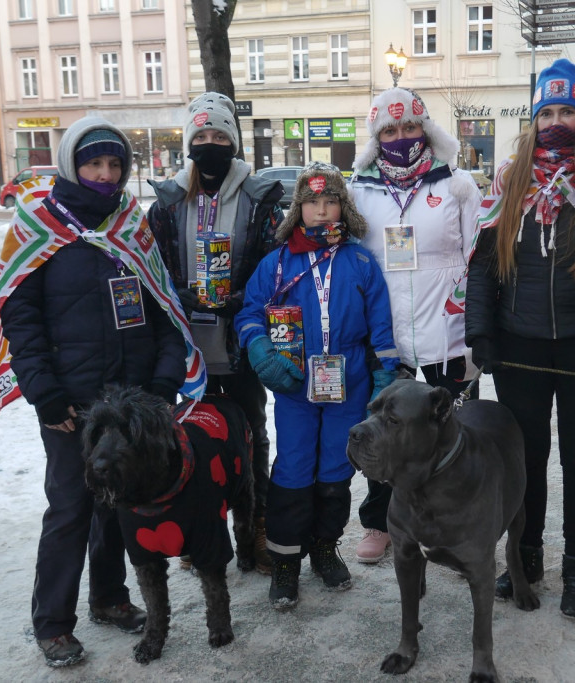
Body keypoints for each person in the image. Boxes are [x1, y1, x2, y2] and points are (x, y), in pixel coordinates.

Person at [0, 117, 196, 666]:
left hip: (131, 403)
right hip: (70, 403)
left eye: (114, 165)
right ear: (70, 165)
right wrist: (44, 393)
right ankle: (54, 622)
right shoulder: (37, 225)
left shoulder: (131, 225)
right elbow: (21, 317)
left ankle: (109, 598)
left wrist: (162, 384)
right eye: (94, 163)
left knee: (121, 503)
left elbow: (164, 311)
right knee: (71, 507)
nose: (105, 174)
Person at [463, 59, 575, 620]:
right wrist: (481, 331)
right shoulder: (511, 175)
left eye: (569, 111)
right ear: (535, 116)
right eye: (548, 111)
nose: (558, 122)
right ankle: (526, 557)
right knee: (528, 459)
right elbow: (485, 263)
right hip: (520, 345)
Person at [235, 162, 400, 610]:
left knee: (335, 469)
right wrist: (262, 353)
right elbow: (249, 314)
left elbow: (381, 331)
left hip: (350, 386)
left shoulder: (361, 262)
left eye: (331, 202)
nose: (322, 212)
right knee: (291, 469)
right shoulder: (275, 264)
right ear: (299, 210)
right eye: (313, 203)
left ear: (343, 208)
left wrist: (384, 378)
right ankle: (286, 560)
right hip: (294, 387)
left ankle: (326, 548)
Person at [147, 92, 285, 576]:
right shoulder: (166, 202)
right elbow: (155, 270)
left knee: (250, 435)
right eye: (201, 137)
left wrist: (243, 299)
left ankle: (258, 529)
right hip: (187, 346)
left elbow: (274, 264)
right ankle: (200, 528)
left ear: (234, 142)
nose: (210, 145)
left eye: (220, 136)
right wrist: (183, 297)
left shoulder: (258, 197)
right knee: (189, 438)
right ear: (189, 143)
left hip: (239, 340)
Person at [349, 87, 483, 564]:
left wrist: (474, 330)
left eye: (409, 127)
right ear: (376, 136)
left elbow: (477, 257)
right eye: (389, 129)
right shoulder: (357, 191)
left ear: (425, 130)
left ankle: (455, 524)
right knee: (384, 432)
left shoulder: (457, 185)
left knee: (451, 434)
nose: (400, 137)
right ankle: (380, 521)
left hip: (446, 333)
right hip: (385, 337)